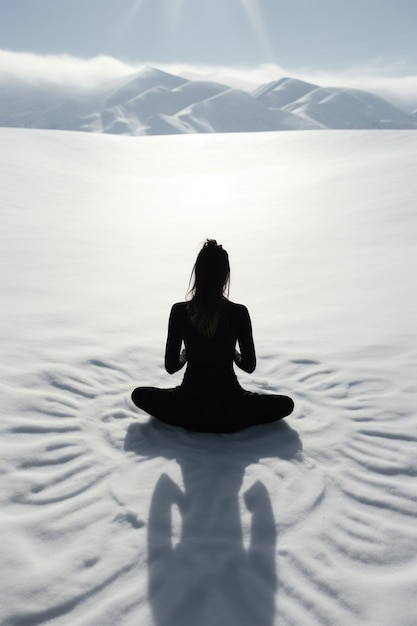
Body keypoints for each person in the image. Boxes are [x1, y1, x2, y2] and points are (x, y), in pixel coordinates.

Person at [131, 239, 294, 433]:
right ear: (225, 276)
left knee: (139, 395)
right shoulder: (238, 312)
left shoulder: (179, 311)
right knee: (286, 404)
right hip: (231, 410)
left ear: (197, 274)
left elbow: (171, 367)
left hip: (188, 409)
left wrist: (185, 354)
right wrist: (232, 352)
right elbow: (249, 366)